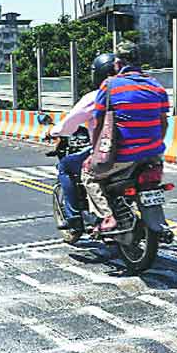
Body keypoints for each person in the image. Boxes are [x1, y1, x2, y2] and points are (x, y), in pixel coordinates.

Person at [83, 42, 170, 232]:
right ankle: (158, 222)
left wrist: (94, 153)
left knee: (88, 174)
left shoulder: (110, 85)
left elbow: (98, 124)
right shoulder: (157, 86)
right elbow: (164, 123)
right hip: (153, 155)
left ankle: (107, 216)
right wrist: (154, 145)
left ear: (117, 64)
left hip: (123, 157)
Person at [47, 53, 118, 230]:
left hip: (107, 152)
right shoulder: (133, 93)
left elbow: (69, 124)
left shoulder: (96, 96)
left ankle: (74, 218)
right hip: (141, 151)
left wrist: (52, 132)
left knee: (65, 166)